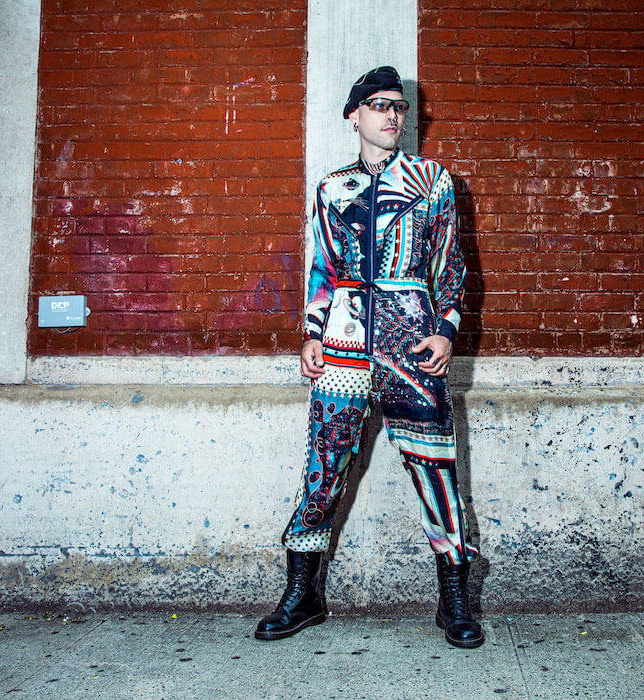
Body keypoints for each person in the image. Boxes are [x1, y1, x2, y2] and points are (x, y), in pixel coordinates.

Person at [255, 66, 483, 649]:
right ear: (354, 115)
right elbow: (324, 268)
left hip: (413, 347)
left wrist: (447, 331)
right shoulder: (332, 188)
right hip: (343, 347)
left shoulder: (433, 180)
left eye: (399, 106)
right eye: (380, 105)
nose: (392, 115)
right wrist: (311, 332)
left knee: (436, 473)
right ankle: (302, 594)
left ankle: (454, 599)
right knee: (323, 469)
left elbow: (452, 266)